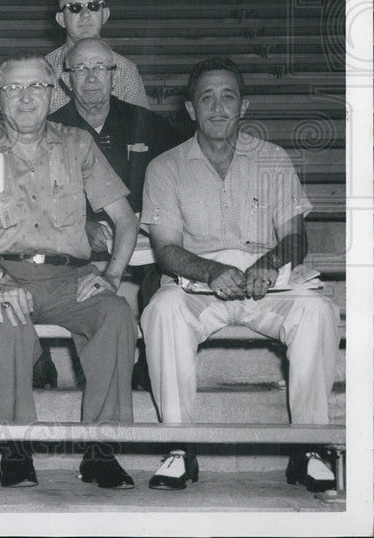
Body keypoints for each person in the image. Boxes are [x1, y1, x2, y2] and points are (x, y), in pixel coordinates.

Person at [140, 56, 340, 492]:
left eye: (228, 96)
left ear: (243, 107)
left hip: (265, 282)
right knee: (162, 310)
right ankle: (179, 446)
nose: (217, 106)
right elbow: (166, 249)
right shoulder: (165, 166)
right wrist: (210, 269)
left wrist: (269, 265)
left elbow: (294, 235)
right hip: (199, 283)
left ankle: (310, 447)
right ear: (190, 109)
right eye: (206, 97)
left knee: (319, 311)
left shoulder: (272, 157)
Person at [0, 51, 139, 490]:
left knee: (115, 315)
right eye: (14, 88)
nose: (25, 97)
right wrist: (0, 281)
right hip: (5, 273)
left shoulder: (77, 145)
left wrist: (111, 276)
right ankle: (17, 450)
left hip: (70, 276)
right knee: (8, 327)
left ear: (53, 93)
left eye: (35, 86)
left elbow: (126, 220)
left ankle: (100, 451)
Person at [49, 38, 184, 389]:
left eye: (100, 68)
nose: (91, 77)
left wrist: (152, 224)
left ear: (114, 75)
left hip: (146, 234)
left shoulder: (149, 124)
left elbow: (175, 185)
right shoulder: (51, 129)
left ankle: (147, 370)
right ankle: (54, 369)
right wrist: (83, 224)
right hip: (79, 238)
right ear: (66, 79)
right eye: (81, 69)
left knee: (163, 283)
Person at [45, 0, 149, 112]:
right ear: (61, 19)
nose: (85, 14)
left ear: (105, 15)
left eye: (93, 6)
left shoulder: (126, 71)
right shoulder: (44, 70)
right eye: (75, 7)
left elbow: (142, 128)